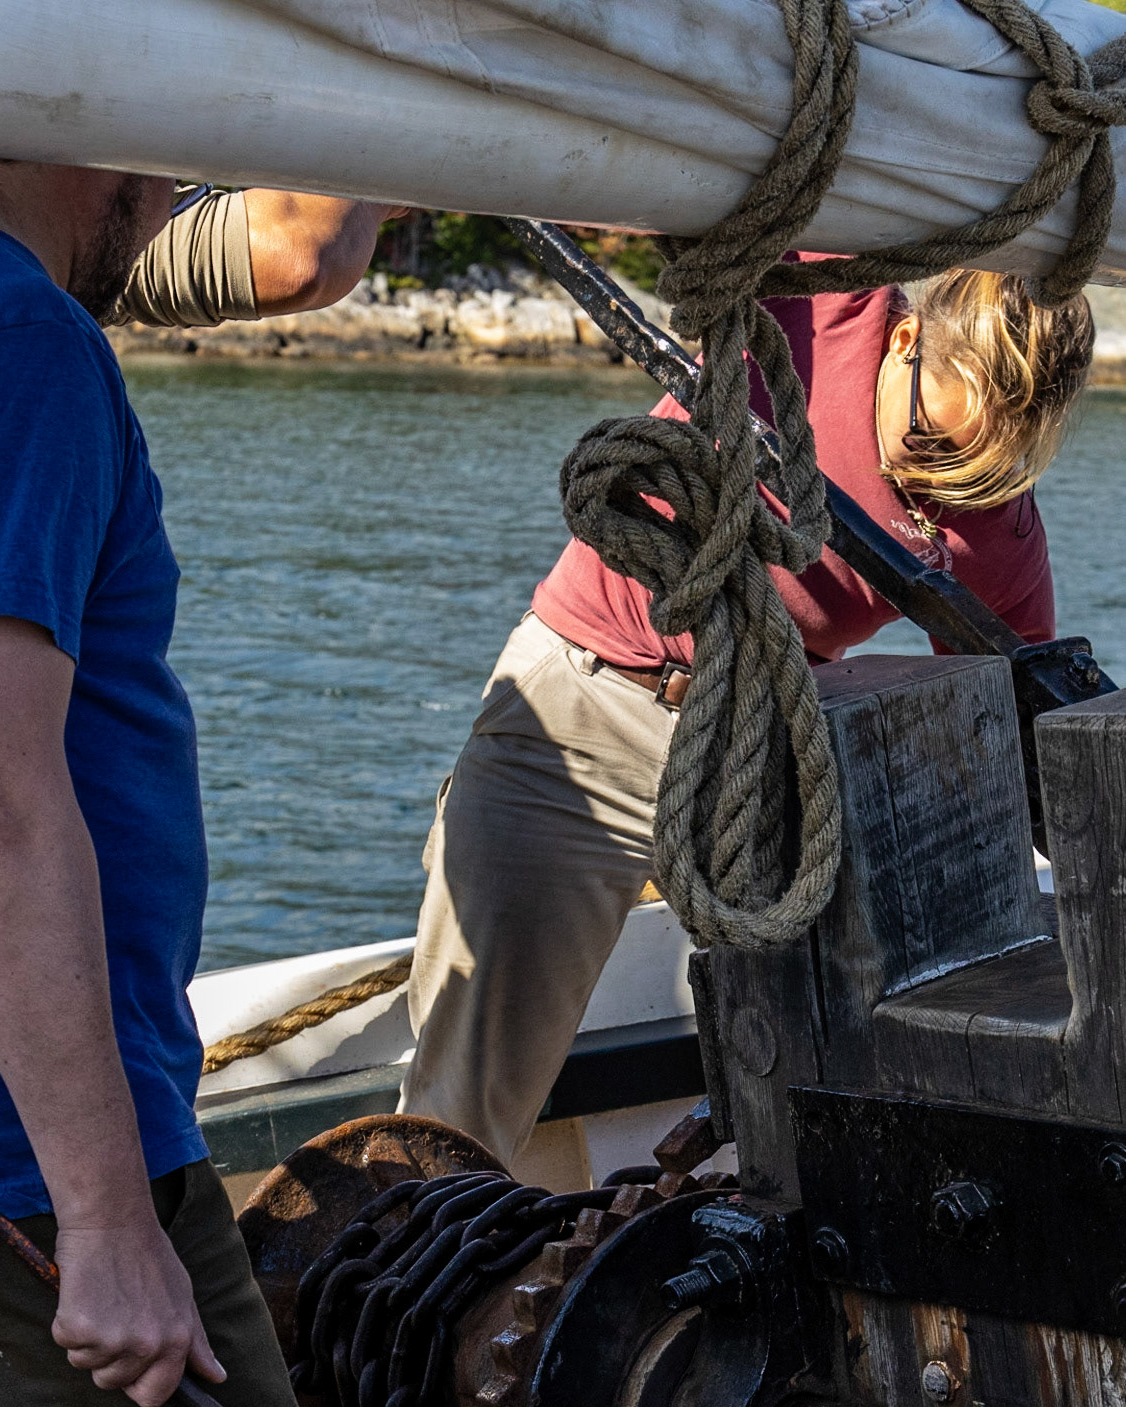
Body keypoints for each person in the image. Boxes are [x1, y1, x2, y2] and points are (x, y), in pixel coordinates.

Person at [397, 265, 1095, 1171]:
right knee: (465, 1098)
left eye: (979, 474)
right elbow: (695, 202)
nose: (935, 484)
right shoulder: (816, 308)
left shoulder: (992, 524)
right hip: (582, 716)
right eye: (929, 441)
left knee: (837, 1054)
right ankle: (416, 1250)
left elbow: (1019, 732)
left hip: (756, 759)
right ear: (903, 341)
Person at [0, 163, 396, 1407]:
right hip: (27, 1175)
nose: (173, 184)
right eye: (160, 134)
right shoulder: (19, 338)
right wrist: (104, 1225)